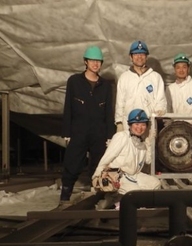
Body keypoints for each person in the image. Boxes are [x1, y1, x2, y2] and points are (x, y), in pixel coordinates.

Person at [60, 45, 115, 204]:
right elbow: (68, 107)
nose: (95, 64)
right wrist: (67, 132)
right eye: (92, 60)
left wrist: (109, 135)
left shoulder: (106, 86)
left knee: (99, 165)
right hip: (79, 130)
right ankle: (64, 198)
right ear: (86, 62)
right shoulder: (75, 81)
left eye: (98, 61)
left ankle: (98, 198)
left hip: (99, 132)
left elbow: (108, 112)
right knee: (72, 162)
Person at [92, 109, 161, 209]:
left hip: (134, 175)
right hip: (118, 176)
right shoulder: (121, 137)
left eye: (143, 124)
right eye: (136, 124)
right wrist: (97, 174)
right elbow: (107, 156)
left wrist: (149, 143)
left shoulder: (141, 143)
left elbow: (148, 161)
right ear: (130, 125)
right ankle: (113, 203)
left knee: (155, 184)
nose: (140, 128)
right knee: (136, 194)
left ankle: (116, 199)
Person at [115, 40, 167, 132]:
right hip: (128, 126)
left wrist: (158, 114)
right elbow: (120, 103)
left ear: (146, 57)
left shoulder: (155, 77)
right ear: (130, 57)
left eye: (142, 54)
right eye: (136, 54)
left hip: (149, 126)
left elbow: (161, 101)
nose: (139, 57)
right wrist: (119, 123)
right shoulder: (124, 78)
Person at [165, 53, 192, 126]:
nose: (181, 70)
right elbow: (167, 110)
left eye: (184, 67)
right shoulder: (170, 88)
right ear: (175, 70)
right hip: (176, 127)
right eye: (178, 67)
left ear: (188, 69)